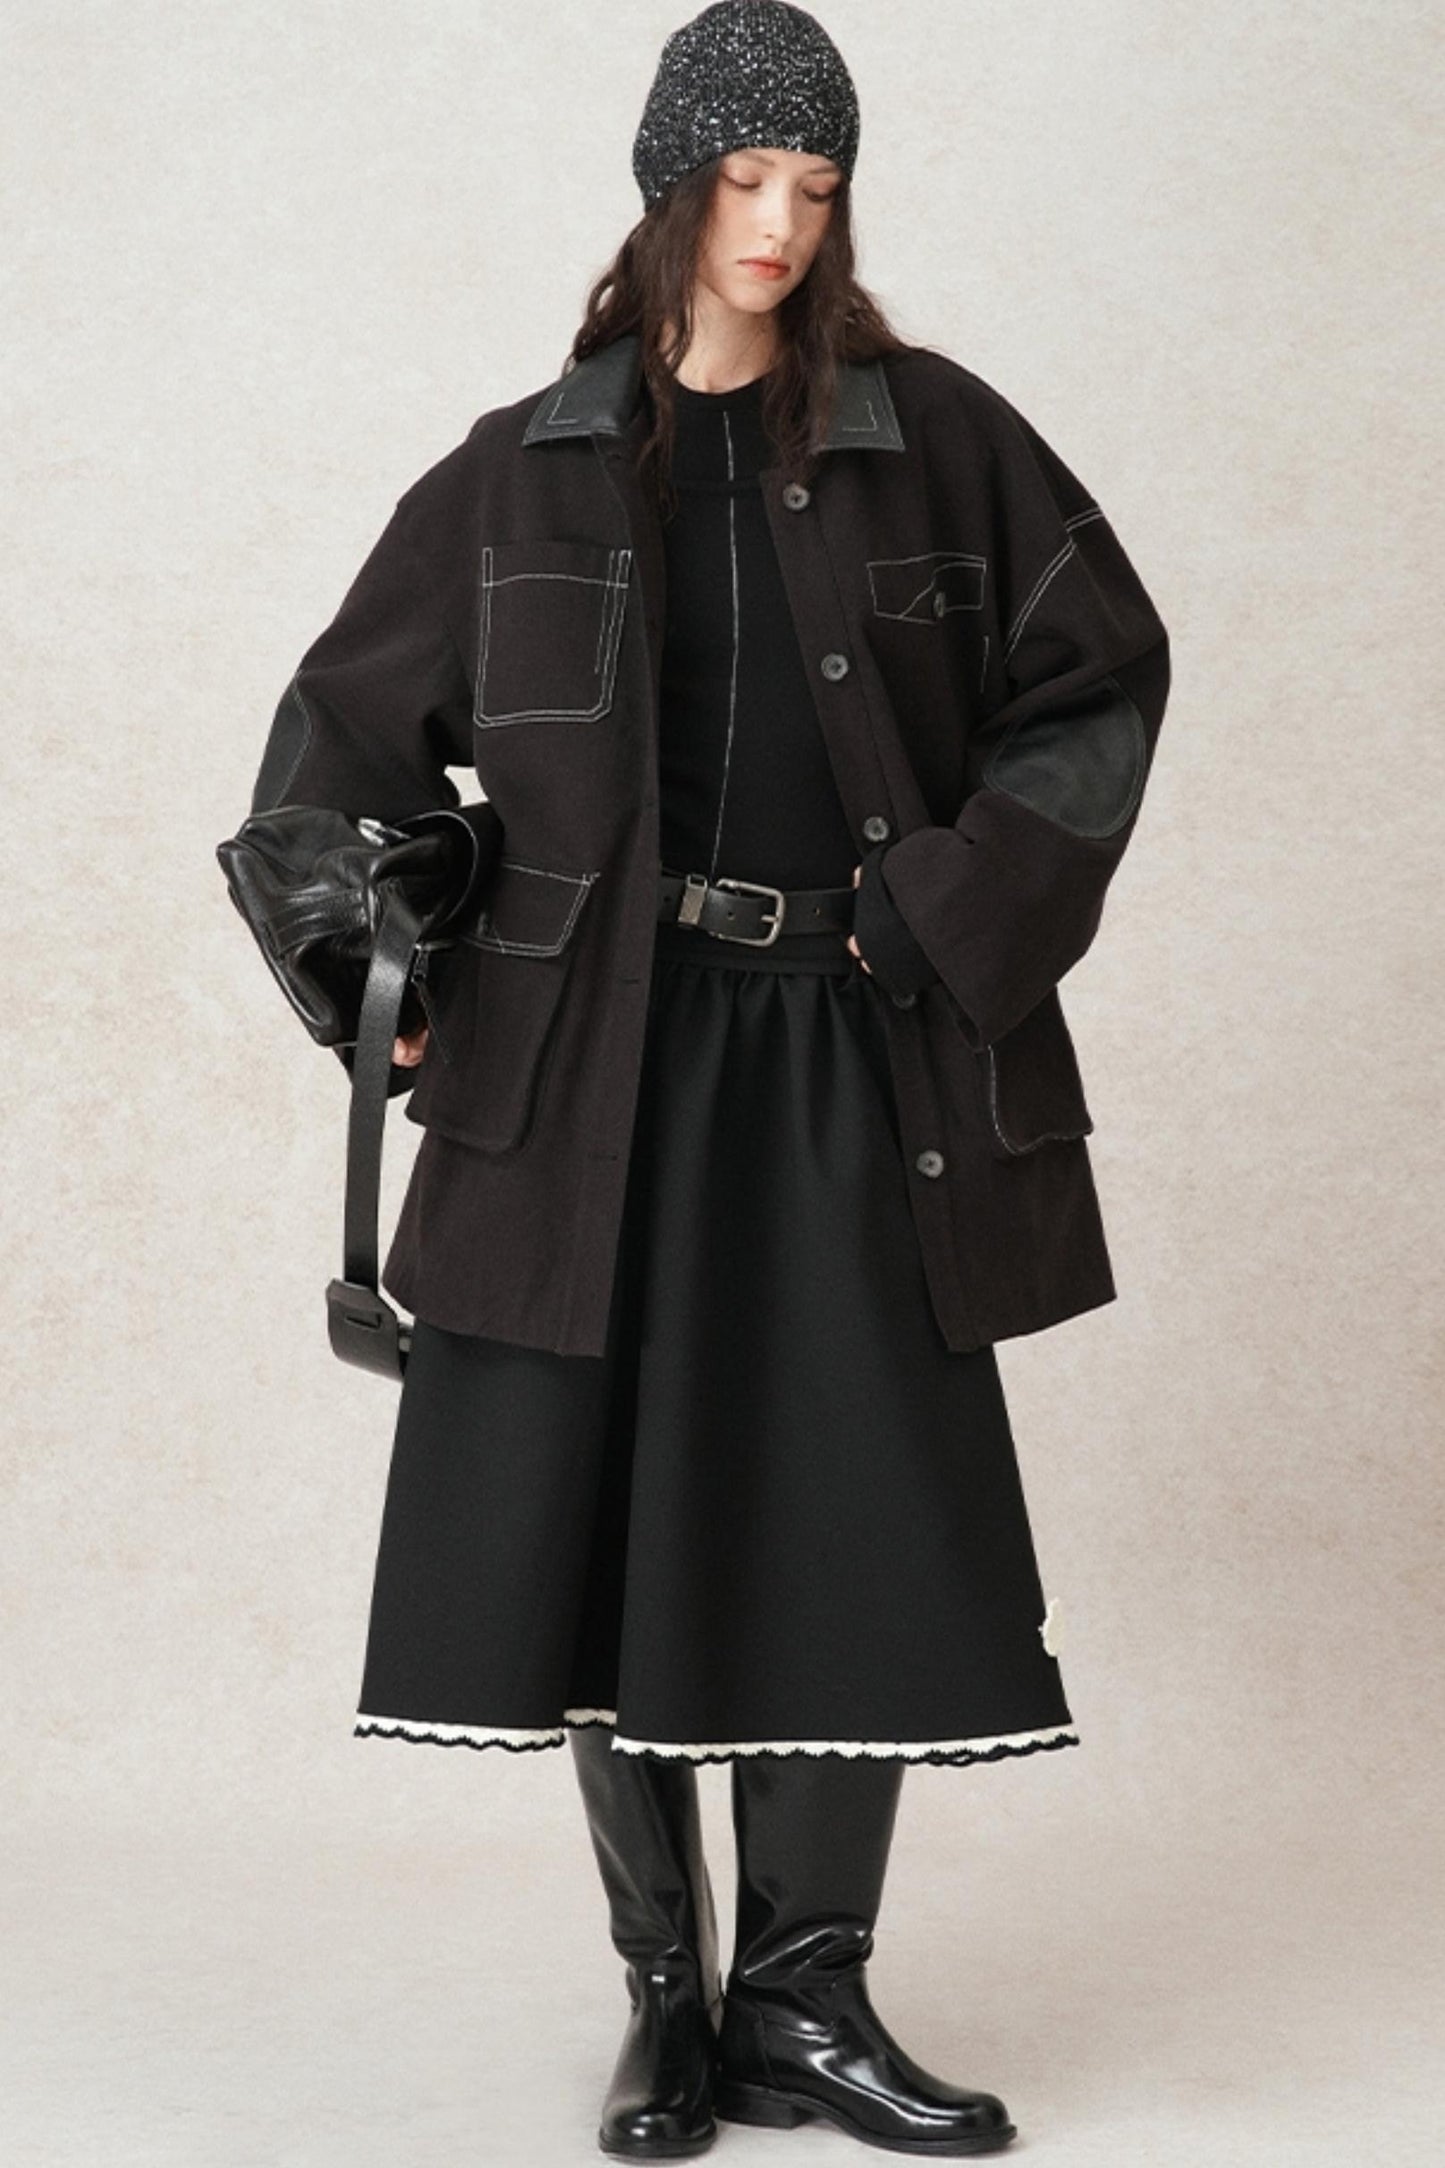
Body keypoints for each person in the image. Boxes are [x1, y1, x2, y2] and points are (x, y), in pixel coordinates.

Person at [231, 4, 1171, 2156]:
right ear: (668, 185)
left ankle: (807, 2001)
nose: (779, 227)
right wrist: (384, 988)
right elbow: (323, 770)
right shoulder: (514, 476)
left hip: (852, 1050)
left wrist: (945, 908)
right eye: (745, 181)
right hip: (594, 1077)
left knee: (855, 1514)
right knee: (602, 1521)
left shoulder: (941, 440)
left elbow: (1097, 683)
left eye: (816, 188)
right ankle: (671, 1999)